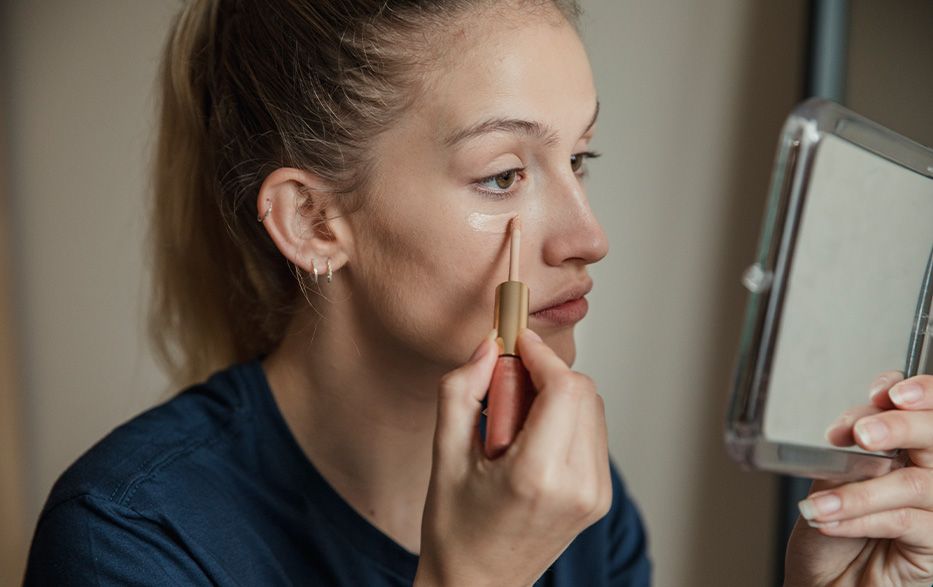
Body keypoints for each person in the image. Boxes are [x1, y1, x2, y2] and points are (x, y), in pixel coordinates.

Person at [20, 1, 933, 585]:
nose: (588, 236)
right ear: (312, 222)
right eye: (502, 174)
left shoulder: (571, 496)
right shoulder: (129, 540)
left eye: (578, 159)